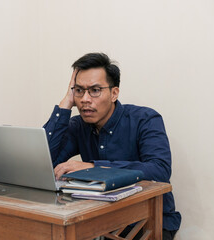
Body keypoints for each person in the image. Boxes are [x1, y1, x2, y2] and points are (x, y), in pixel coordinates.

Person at [43, 53, 181, 240]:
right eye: (79, 91)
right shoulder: (78, 125)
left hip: (148, 221)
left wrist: (95, 167)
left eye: (95, 90)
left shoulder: (145, 119)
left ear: (114, 93)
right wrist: (65, 104)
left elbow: (160, 170)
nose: (85, 99)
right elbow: (45, 162)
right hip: (101, 221)